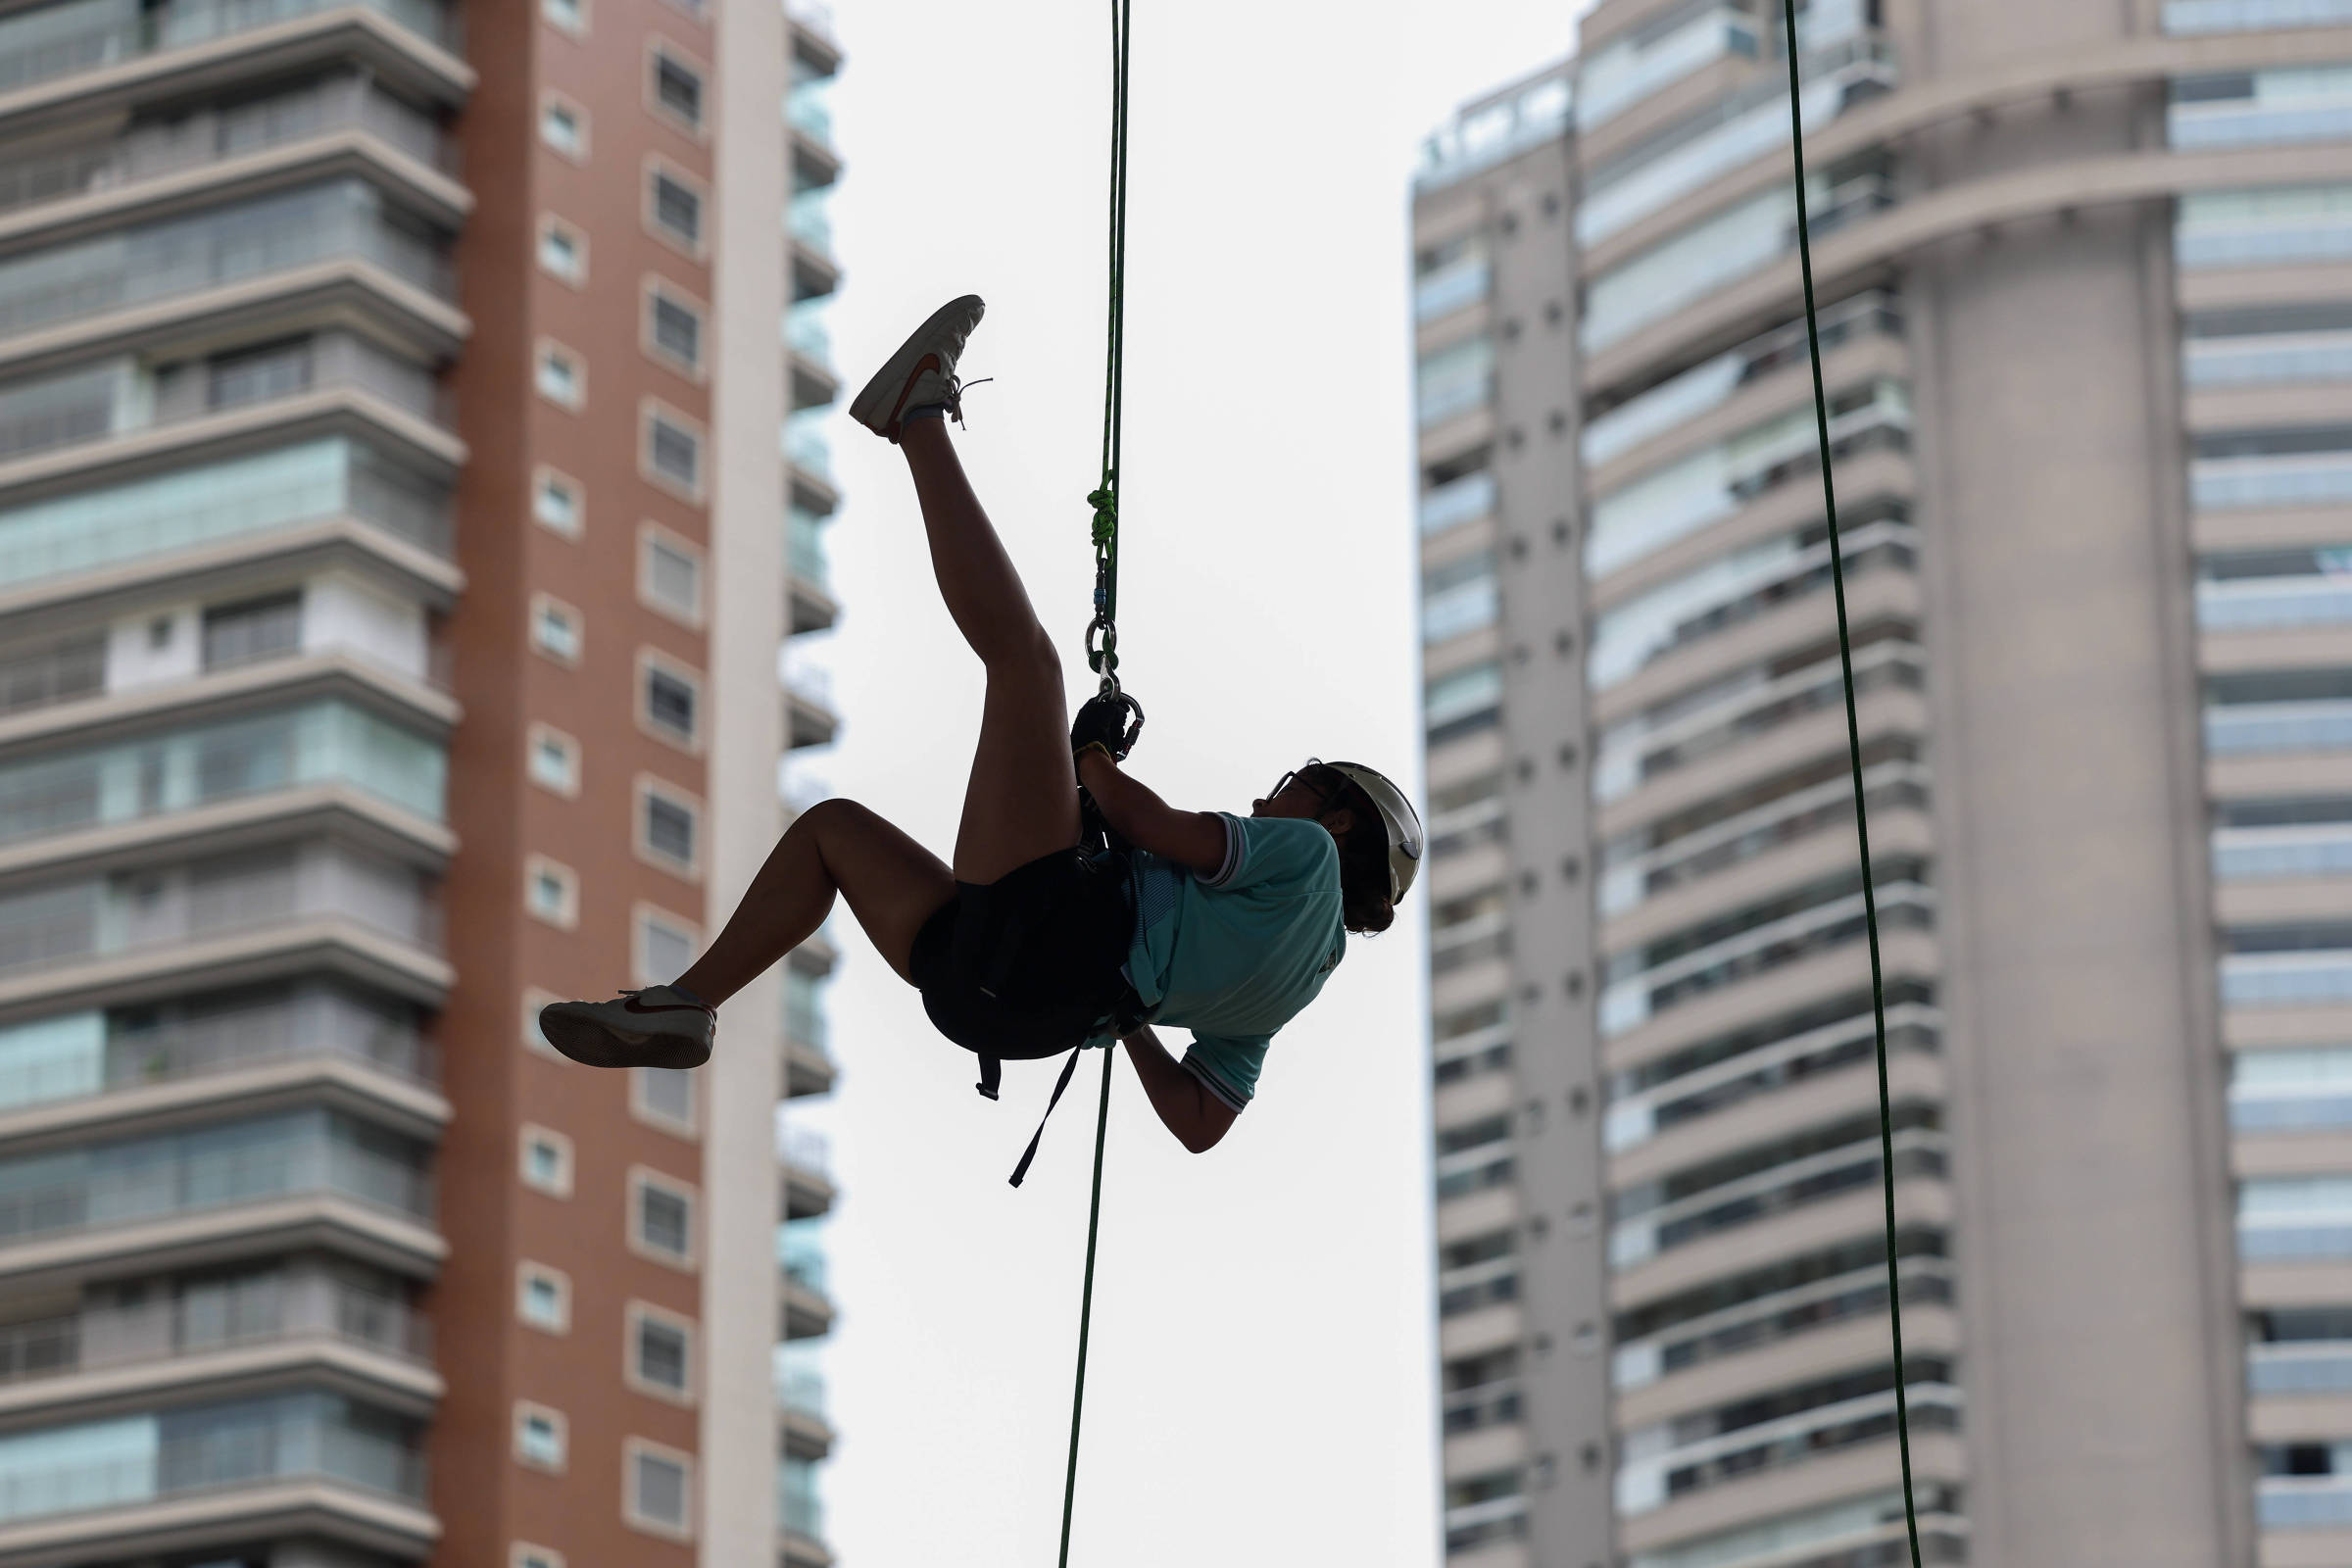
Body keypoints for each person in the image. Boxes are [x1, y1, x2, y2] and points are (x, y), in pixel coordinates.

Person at [538, 296, 1421, 1153]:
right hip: (999, 1005)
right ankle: (688, 1003)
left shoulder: (1303, 858)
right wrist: (1132, 1020)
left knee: (1028, 662)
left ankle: (916, 411)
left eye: (1299, 783)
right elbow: (1199, 1123)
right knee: (831, 834)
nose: (1272, 793)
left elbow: (1157, 827)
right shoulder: (1291, 992)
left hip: (1046, 937)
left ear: (1337, 817)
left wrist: (1096, 756)